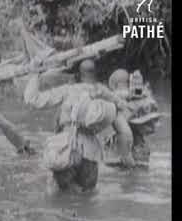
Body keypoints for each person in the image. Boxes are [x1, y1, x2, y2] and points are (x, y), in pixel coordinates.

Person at [24, 59, 131, 192]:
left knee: (61, 197)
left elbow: (33, 100)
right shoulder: (103, 92)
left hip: (67, 148)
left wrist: (35, 75)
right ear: (95, 74)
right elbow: (124, 111)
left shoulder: (68, 90)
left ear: (78, 75)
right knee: (88, 198)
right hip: (91, 153)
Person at [105, 68, 160, 165]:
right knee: (140, 168)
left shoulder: (119, 98)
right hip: (140, 146)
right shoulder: (141, 96)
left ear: (116, 85)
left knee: (117, 165)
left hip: (125, 145)